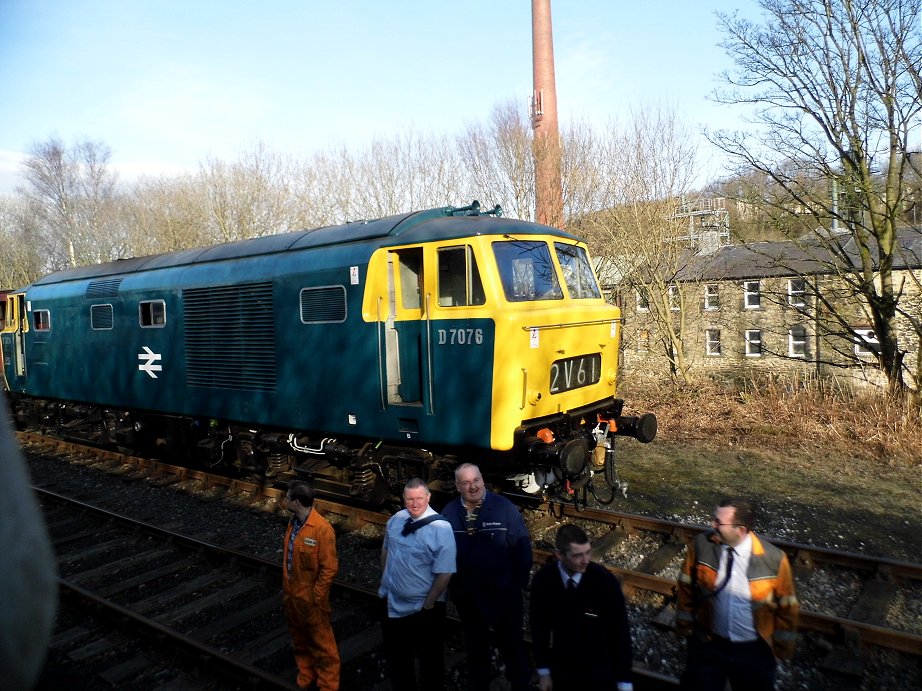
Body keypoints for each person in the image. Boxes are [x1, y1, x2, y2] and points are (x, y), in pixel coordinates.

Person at [675, 497, 799, 691]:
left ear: (740, 530)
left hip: (753, 651)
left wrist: (781, 650)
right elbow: (685, 587)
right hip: (709, 645)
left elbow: (787, 606)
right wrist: (686, 628)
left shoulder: (773, 558)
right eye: (714, 518)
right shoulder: (701, 545)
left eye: (719, 522)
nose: (712, 524)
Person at [441, 463, 532, 691]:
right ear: (457, 486)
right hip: (470, 600)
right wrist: (457, 591)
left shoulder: (504, 508)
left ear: (483, 480)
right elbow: (442, 555)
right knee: (476, 652)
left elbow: (522, 551)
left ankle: (520, 685)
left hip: (504, 597)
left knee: (513, 648)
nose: (473, 487)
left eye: (477, 480)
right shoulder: (449, 514)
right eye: (466, 482)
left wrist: (514, 587)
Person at [529, 524, 634, 691]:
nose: (585, 560)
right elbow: (538, 628)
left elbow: (620, 632)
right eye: (577, 555)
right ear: (559, 555)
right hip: (563, 670)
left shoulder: (604, 581)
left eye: (588, 552)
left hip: (599, 671)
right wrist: (543, 671)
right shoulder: (544, 581)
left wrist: (624, 681)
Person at [378, 478, 456, 691]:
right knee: (398, 660)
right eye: (410, 499)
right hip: (394, 604)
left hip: (425, 609)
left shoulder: (441, 528)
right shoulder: (395, 520)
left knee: (430, 662)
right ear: (403, 499)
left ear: (428, 498)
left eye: (419, 498)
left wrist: (429, 603)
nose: (414, 504)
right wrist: (385, 584)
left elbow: (446, 571)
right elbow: (386, 550)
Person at [282, 479, 340, 690]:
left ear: (296, 502)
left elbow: (330, 568)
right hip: (292, 594)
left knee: (323, 647)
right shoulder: (293, 523)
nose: (284, 500)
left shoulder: (322, 530)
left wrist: (317, 596)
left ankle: (328, 686)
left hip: (311, 599)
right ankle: (306, 677)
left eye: (287, 498)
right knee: (299, 640)